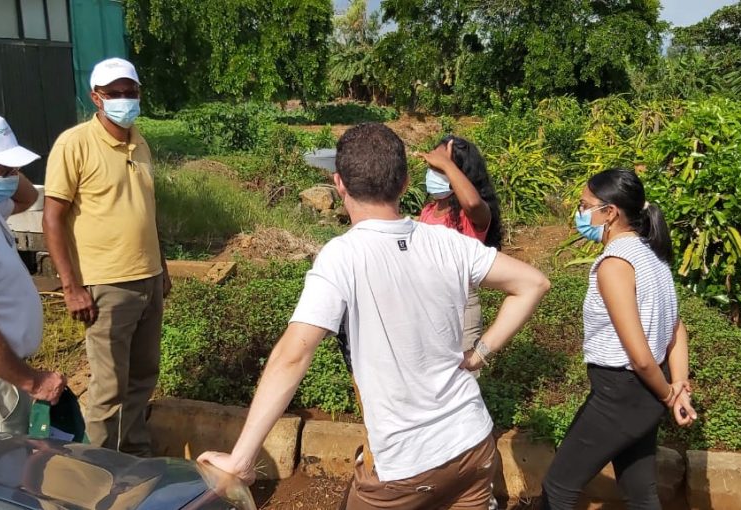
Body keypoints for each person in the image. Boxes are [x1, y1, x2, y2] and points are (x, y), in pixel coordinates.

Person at [198, 123, 551, 510]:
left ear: (339, 184)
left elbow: (292, 355)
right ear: (403, 184)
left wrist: (241, 460)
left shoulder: (342, 256)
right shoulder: (447, 242)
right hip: (473, 444)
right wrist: (480, 353)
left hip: (406, 465)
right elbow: (532, 283)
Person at [541, 168, 697, 510]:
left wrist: (670, 395)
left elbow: (639, 356)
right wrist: (678, 385)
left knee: (558, 488)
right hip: (648, 389)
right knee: (641, 493)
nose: (579, 213)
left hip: (622, 393)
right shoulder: (652, 254)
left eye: (585, 205)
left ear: (610, 212)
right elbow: (677, 328)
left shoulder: (615, 265)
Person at [42, 58, 171, 456]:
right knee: (109, 387)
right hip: (107, 285)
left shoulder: (140, 141)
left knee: (142, 377)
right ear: (95, 97)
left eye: (130, 92)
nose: (124, 100)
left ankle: (133, 457)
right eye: (114, 94)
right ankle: (97, 472)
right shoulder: (74, 143)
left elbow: (145, 210)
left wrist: (161, 267)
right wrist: (71, 286)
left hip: (147, 279)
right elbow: (52, 218)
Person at [0, 114, 66, 433]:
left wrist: (7, 170)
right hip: (4, 384)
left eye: (14, 169)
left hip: (9, 376)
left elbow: (27, 197)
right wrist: (31, 381)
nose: (11, 178)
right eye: (3, 170)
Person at [417, 136, 502, 362]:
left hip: (461, 307)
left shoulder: (473, 215)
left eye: (440, 167)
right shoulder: (429, 210)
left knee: (461, 379)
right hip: (427, 304)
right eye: (432, 166)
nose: (433, 172)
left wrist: (447, 164)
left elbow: (472, 203)